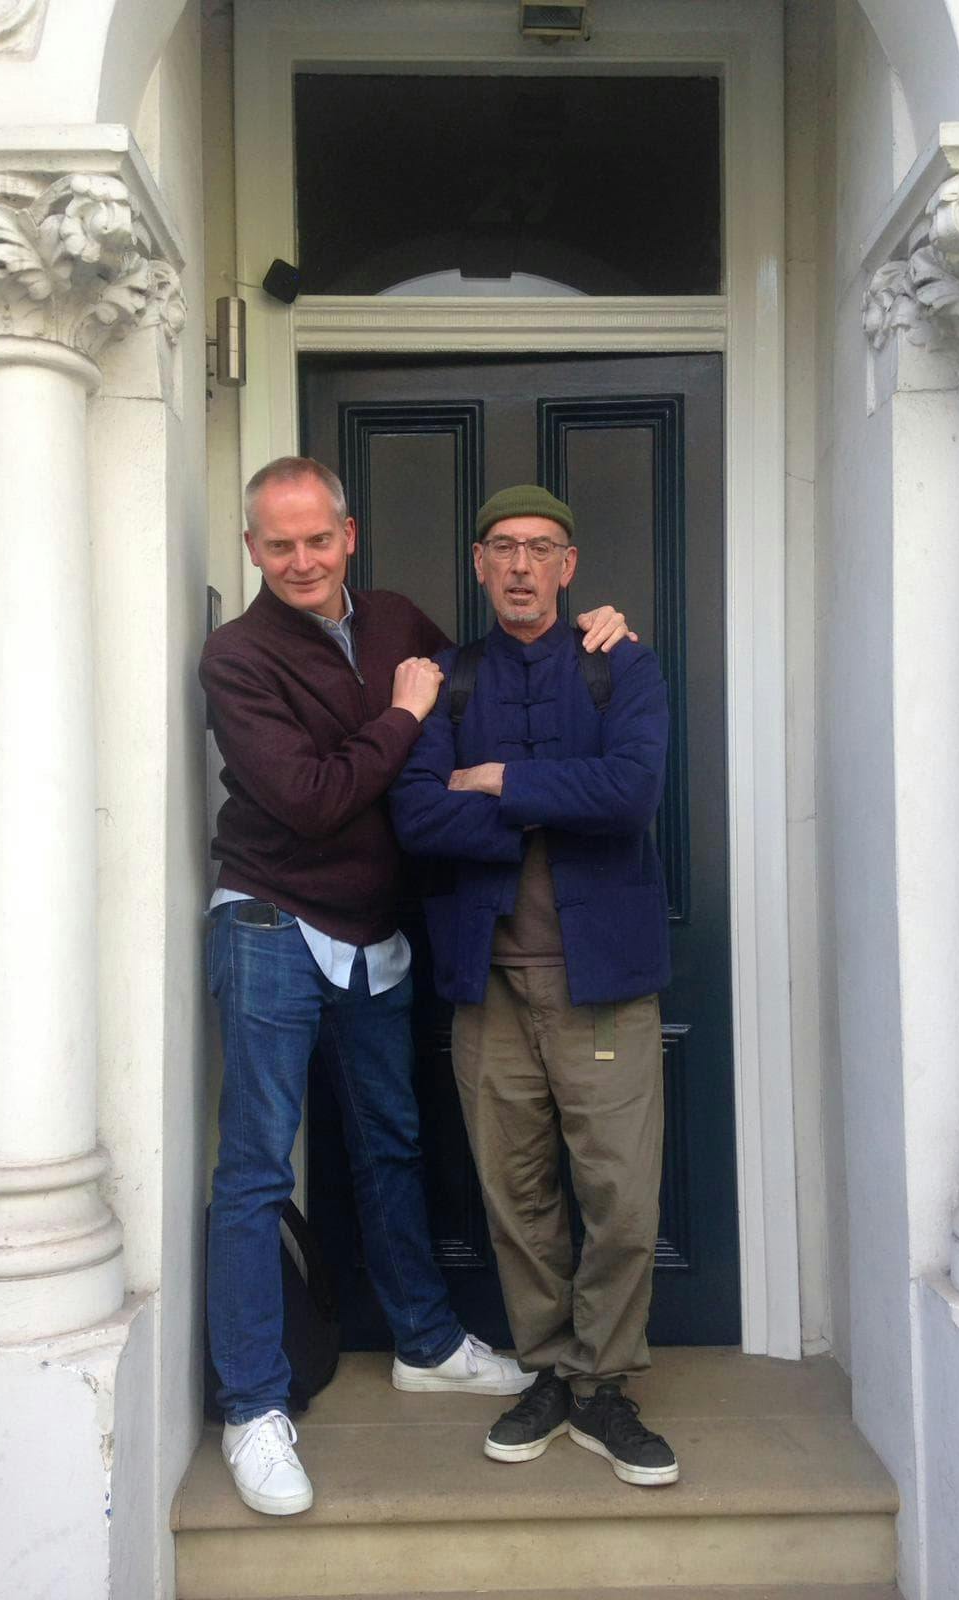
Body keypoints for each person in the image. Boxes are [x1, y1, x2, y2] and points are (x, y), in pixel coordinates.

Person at [199, 457, 633, 1518]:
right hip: (270, 920)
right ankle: (253, 1404)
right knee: (255, 1170)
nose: (302, 560)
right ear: (253, 549)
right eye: (278, 544)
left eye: (319, 538)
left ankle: (426, 1343)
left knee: (391, 1144)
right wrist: (400, 718)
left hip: (376, 933)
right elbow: (312, 799)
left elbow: (487, 698)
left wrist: (596, 632)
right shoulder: (238, 656)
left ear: (349, 536)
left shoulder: (399, 619)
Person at [389, 484, 679, 1488]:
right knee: (515, 1196)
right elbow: (417, 816)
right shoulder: (452, 680)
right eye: (503, 547)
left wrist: (500, 780)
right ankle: (553, 1371)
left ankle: (604, 1384)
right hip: (490, 984)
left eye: (541, 547)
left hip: (605, 981)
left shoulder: (619, 664)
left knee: (621, 1197)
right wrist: (558, 800)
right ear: (479, 563)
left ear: (568, 563)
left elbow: (632, 791)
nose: (521, 565)